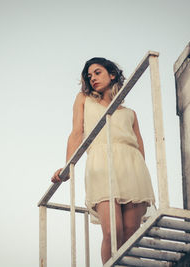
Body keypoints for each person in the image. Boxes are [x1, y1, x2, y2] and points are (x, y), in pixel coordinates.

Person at [51, 57, 155, 264]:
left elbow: (139, 148)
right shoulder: (84, 99)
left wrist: (140, 177)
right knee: (112, 231)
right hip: (100, 165)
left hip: (132, 168)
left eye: (97, 73)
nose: (92, 79)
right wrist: (68, 166)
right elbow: (76, 133)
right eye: (89, 76)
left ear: (112, 74)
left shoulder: (130, 113)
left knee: (131, 233)